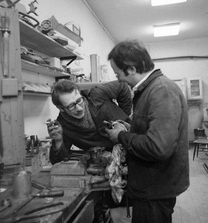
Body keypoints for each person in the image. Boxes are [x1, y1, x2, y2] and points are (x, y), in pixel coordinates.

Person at [106, 39, 190, 223]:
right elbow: (154, 131)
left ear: (132, 69)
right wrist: (130, 128)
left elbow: (158, 147)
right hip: (152, 185)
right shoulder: (149, 90)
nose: (118, 78)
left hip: (155, 188)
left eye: (118, 73)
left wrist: (120, 136)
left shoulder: (161, 90)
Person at [47, 79, 132, 223]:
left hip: (131, 146)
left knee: (144, 204)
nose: (79, 108)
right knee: (120, 212)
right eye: (71, 106)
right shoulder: (64, 126)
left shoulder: (98, 94)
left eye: (79, 100)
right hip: (110, 166)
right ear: (61, 109)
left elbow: (123, 86)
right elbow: (59, 161)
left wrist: (125, 114)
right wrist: (58, 140)